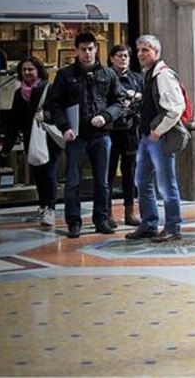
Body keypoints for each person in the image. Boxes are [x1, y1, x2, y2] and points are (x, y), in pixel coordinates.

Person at [46, 32, 126, 238]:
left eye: (91, 49)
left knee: (103, 181)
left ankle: (101, 219)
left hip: (101, 136)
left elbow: (120, 102)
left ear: (96, 49)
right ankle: (74, 222)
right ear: (76, 50)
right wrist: (64, 127)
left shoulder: (108, 74)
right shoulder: (65, 75)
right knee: (73, 181)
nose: (87, 53)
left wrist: (106, 116)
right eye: (83, 49)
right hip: (76, 137)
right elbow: (54, 105)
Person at [124, 34, 187, 242]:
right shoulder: (149, 74)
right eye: (139, 50)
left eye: (146, 50)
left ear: (156, 53)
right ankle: (149, 224)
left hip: (159, 137)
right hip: (148, 137)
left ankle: (173, 227)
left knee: (166, 184)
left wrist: (159, 129)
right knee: (142, 181)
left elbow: (176, 107)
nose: (141, 53)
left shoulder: (163, 75)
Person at [1, 57, 62, 228]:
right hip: (31, 138)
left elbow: (58, 111)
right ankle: (43, 206)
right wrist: (7, 146)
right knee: (38, 173)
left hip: (49, 137)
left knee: (49, 172)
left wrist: (47, 116)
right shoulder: (18, 94)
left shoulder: (49, 89)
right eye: (24, 70)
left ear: (38, 71)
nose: (27, 73)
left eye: (31, 69)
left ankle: (50, 208)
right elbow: (14, 121)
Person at [106, 45, 143, 227]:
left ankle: (130, 211)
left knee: (129, 173)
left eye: (126, 56)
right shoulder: (105, 77)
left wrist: (138, 98)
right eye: (119, 56)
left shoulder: (136, 78)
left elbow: (146, 99)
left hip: (129, 131)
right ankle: (107, 213)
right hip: (110, 131)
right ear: (112, 58)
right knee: (109, 172)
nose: (123, 59)